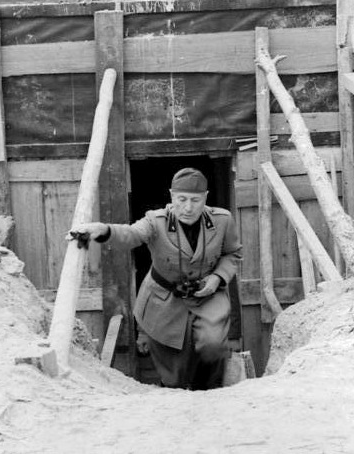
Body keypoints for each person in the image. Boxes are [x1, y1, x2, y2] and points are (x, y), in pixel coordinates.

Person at [71, 167, 243, 390]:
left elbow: (233, 253)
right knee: (174, 370)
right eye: (182, 199)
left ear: (205, 198)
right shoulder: (156, 221)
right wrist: (102, 230)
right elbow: (131, 234)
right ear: (171, 196)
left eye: (195, 200)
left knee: (212, 346)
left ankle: (208, 393)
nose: (188, 207)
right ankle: (173, 391)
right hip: (164, 301)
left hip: (207, 296)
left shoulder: (222, 220)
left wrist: (218, 278)